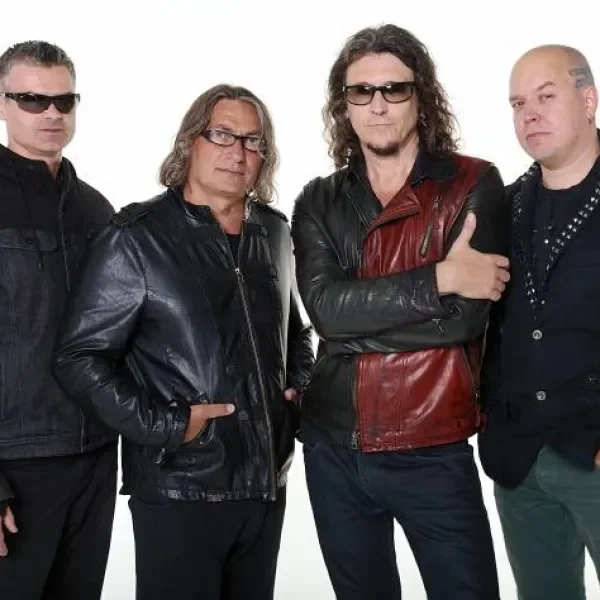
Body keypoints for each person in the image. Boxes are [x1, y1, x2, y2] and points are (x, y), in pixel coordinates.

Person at [52, 83, 314, 600]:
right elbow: (79, 357)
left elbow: (296, 333)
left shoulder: (274, 233)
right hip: (180, 488)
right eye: (222, 135)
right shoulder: (136, 237)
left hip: (266, 486)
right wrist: (168, 425)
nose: (238, 152)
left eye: (253, 141)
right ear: (190, 142)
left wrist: (297, 390)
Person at [290, 24, 510, 600]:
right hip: (332, 448)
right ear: (344, 104)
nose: (378, 104)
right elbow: (325, 312)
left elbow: (463, 321)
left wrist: (348, 329)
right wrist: (440, 278)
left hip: (432, 444)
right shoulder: (317, 199)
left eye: (395, 88)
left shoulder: (473, 183)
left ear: (421, 95)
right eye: (361, 91)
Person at [478, 45, 600, 600]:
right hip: (520, 463)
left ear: (588, 100)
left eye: (546, 97)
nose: (529, 114)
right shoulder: (502, 207)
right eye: (518, 103)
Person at [0, 41, 116, 600]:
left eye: (64, 101)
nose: (51, 113)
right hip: (15, 464)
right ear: (2, 103)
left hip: (96, 456)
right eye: (32, 99)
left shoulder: (97, 209)